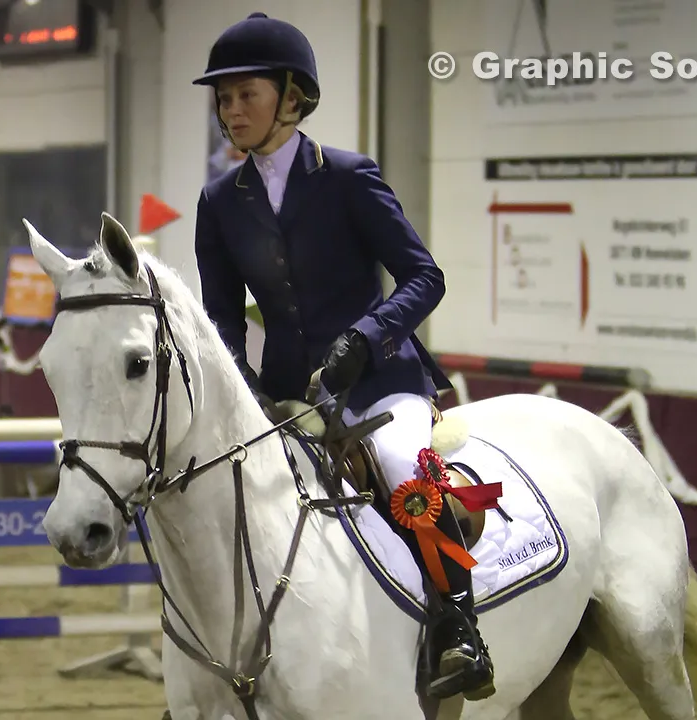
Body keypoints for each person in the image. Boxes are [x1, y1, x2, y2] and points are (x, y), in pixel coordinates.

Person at [191, 12, 495, 702]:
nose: (231, 110)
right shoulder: (219, 202)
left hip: (379, 381)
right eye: (224, 98)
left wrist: (365, 335)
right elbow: (221, 319)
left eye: (246, 95)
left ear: (291, 97)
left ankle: (459, 628)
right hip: (287, 396)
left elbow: (425, 276)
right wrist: (242, 386)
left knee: (404, 470)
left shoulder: (349, 177)